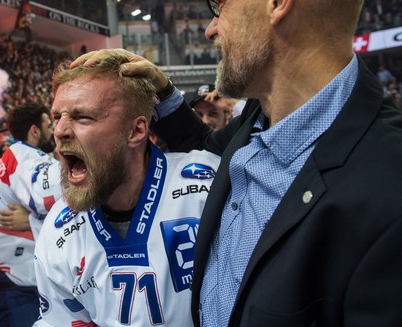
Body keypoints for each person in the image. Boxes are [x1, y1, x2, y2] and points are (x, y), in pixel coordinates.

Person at [73, 0, 402, 322]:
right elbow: (205, 150)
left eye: (220, 5)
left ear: (277, 4)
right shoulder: (259, 119)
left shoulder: (387, 187)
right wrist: (161, 89)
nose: (210, 29)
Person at [33, 52, 221, 326]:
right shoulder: (58, 229)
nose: (60, 131)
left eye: (83, 117)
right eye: (56, 117)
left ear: (136, 131)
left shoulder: (205, 187)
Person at [0, 103, 61, 327]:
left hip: (7, 279)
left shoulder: (16, 154)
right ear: (34, 130)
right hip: (15, 287)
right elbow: (63, 195)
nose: (52, 130)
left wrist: (31, 219)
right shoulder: (27, 159)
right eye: (48, 124)